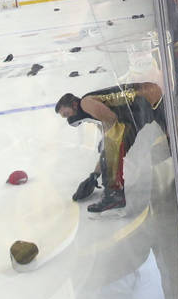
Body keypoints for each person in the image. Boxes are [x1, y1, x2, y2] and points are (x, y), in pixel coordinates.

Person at [54, 81, 165, 215]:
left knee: (109, 148)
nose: (69, 119)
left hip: (142, 102)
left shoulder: (86, 103)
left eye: (67, 114)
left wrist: (103, 158)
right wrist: (94, 175)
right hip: (144, 102)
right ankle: (113, 192)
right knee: (108, 149)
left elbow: (111, 120)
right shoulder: (91, 108)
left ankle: (113, 195)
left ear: (74, 104)